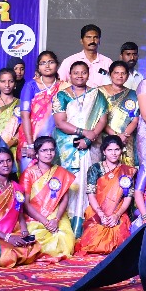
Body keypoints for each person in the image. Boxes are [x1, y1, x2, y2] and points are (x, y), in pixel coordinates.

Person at [54, 60, 110, 236]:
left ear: (88, 74)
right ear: (70, 75)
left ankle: (87, 229)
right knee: (70, 186)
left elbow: (102, 119)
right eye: (76, 72)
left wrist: (90, 137)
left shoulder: (97, 95)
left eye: (83, 72)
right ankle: (67, 229)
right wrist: (84, 132)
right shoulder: (61, 96)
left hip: (91, 147)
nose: (79, 76)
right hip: (68, 149)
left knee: (90, 184)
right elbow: (60, 123)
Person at [76, 135, 137, 254]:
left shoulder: (127, 171)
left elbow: (128, 197)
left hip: (119, 211)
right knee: (93, 243)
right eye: (109, 150)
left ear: (121, 150)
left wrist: (116, 215)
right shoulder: (95, 168)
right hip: (97, 211)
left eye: (117, 149)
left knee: (121, 243)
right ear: (104, 151)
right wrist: (101, 214)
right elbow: (91, 194)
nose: (113, 153)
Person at [0, 147, 41, 268]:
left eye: (8, 160)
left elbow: (19, 213)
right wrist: (6, 237)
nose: (5, 164)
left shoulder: (17, 187)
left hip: (12, 233)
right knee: (7, 256)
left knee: (33, 247)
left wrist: (24, 231)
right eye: (1, 162)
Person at [22, 136, 77, 259]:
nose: (49, 153)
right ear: (37, 153)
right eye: (44, 150)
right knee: (38, 240)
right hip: (35, 216)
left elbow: (64, 199)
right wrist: (46, 222)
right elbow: (26, 204)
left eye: (51, 150)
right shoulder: (28, 173)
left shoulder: (61, 172)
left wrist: (56, 220)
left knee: (66, 242)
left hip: (56, 215)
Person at [20, 51, 63, 172]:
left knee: (55, 177)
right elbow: (25, 115)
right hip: (31, 138)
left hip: (57, 140)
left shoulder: (64, 86)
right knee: (31, 175)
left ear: (57, 65)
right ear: (38, 67)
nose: (47, 66)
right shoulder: (31, 86)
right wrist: (30, 144)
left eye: (51, 62)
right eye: (43, 63)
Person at [99, 61, 139, 167]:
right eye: (116, 73)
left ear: (127, 75)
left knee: (127, 172)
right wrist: (116, 136)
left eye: (123, 73)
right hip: (104, 138)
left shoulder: (133, 94)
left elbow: (134, 119)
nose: (120, 76)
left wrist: (123, 136)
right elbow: (97, 119)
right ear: (110, 74)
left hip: (126, 139)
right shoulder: (99, 92)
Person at [59, 25, 113, 90]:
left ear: (99, 41)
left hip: (101, 96)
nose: (92, 41)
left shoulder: (107, 62)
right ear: (81, 41)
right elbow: (61, 84)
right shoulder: (69, 61)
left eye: (95, 37)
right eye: (88, 37)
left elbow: (114, 86)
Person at [0, 68, 23, 156]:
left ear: (15, 84)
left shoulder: (20, 104)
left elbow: (23, 128)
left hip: (15, 148)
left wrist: (9, 144)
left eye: (11, 81)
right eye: (3, 81)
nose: (7, 85)